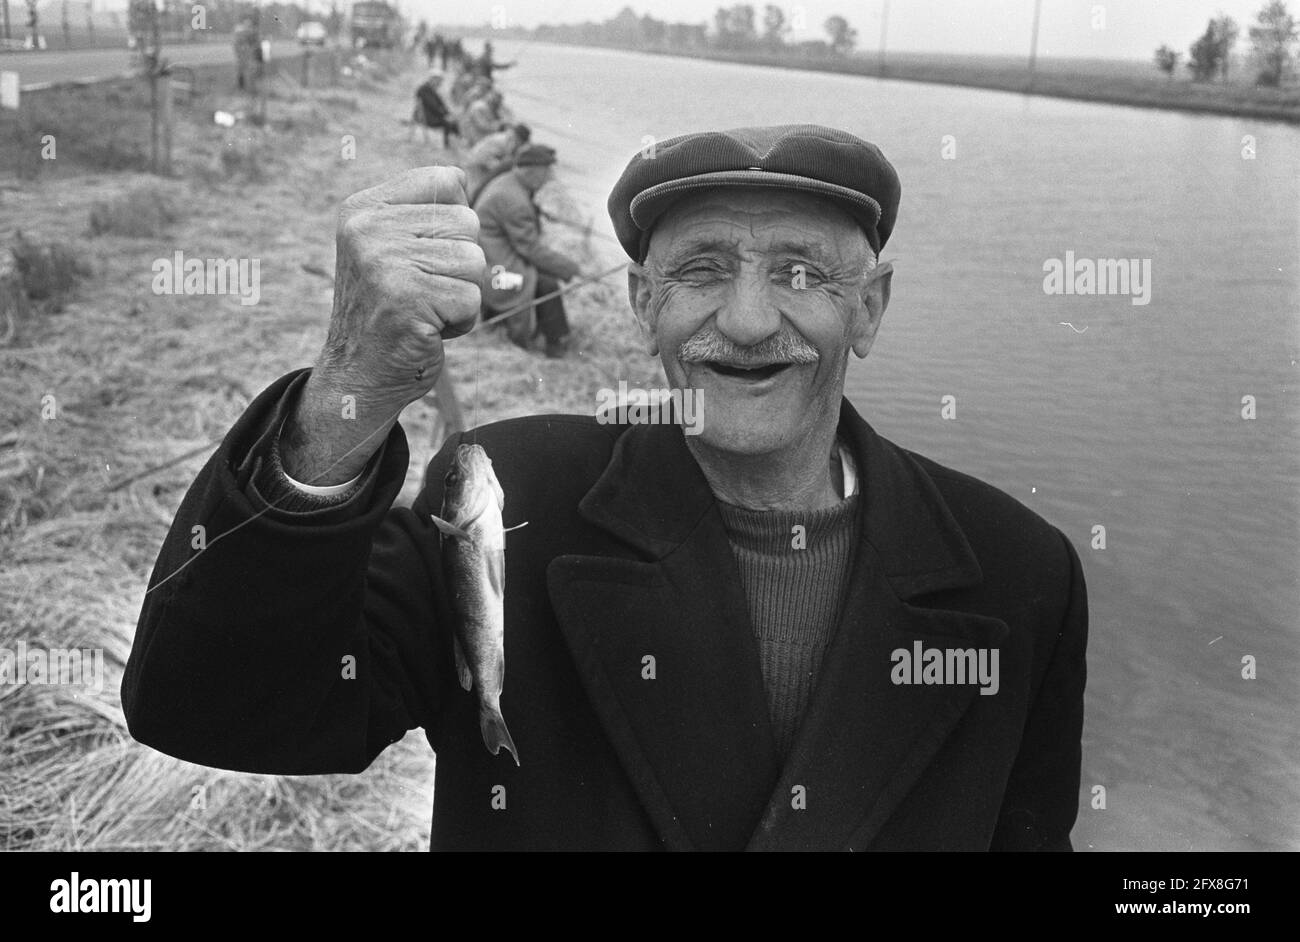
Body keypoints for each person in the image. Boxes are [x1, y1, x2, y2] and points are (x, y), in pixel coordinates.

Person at [123, 125, 1087, 851]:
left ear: (868, 309)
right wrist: (347, 391)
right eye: (703, 270)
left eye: (801, 272)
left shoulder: (1019, 573)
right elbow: (211, 706)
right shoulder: (502, 491)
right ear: (642, 305)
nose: (749, 321)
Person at [473, 143, 594, 358]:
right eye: (547, 172)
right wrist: (572, 268)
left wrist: (538, 212)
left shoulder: (509, 183)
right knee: (545, 284)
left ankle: (546, 335)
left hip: (489, 261)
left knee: (540, 277)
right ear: (532, 172)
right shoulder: (514, 199)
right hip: (494, 275)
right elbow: (531, 250)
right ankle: (557, 343)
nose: (549, 178)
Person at [463, 122, 531, 204]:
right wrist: (500, 168)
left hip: (479, 163)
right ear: (519, 138)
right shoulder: (504, 141)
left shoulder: (507, 139)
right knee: (476, 191)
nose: (521, 145)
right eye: (521, 142)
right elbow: (485, 158)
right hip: (476, 164)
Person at [411, 72, 458, 148]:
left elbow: (442, 104)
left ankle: (458, 140)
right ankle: (448, 145)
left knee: (454, 121)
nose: (440, 84)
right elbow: (433, 107)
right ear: (433, 79)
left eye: (441, 82)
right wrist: (445, 115)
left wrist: (448, 113)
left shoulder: (431, 89)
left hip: (432, 115)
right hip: (425, 117)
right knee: (448, 122)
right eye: (439, 81)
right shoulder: (424, 89)